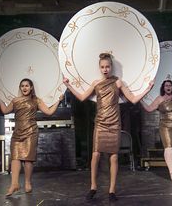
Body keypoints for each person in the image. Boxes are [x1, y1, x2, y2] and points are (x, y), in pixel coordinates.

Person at [63, 53, 154, 201]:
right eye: (102, 67)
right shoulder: (95, 83)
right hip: (100, 122)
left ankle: (112, 190)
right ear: (99, 68)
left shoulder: (118, 82)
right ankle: (93, 187)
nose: (105, 69)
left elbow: (132, 99)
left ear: (111, 67)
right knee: (96, 154)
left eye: (107, 66)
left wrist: (147, 89)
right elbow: (81, 97)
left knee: (113, 157)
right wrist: (68, 85)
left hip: (114, 123)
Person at [0, 78, 64, 196]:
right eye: (22, 86)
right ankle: (14, 184)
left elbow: (48, 112)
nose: (24, 88)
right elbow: (4, 110)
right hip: (17, 132)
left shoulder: (36, 100)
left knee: (28, 158)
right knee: (15, 157)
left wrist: (58, 101)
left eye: (27, 85)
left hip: (31, 132)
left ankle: (27, 183)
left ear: (31, 87)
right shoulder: (15, 100)